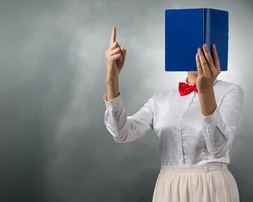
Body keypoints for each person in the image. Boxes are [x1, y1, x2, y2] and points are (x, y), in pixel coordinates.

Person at [103, 26, 244, 202]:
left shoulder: (230, 91)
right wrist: (112, 78)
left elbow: (219, 148)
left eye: (204, 50)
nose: (198, 56)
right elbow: (121, 133)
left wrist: (206, 90)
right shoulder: (160, 99)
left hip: (212, 185)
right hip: (168, 187)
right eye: (192, 49)